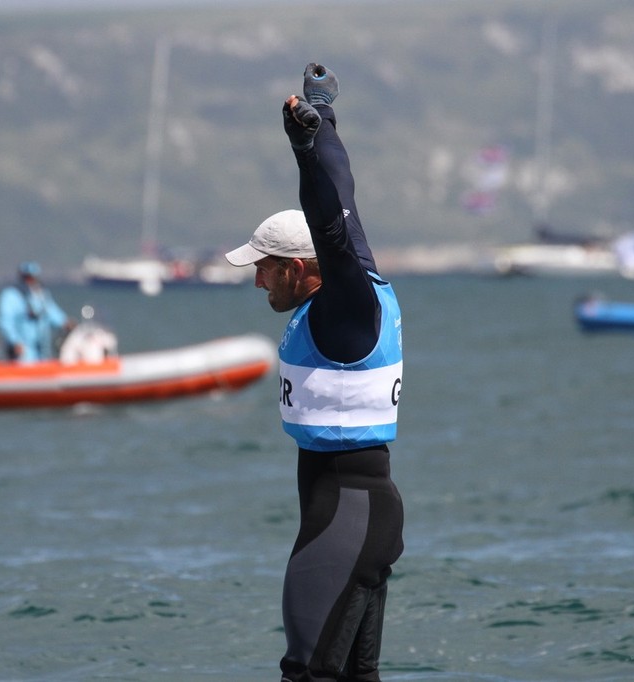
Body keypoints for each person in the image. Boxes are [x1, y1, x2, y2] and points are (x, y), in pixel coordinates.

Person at [225, 64, 404, 682]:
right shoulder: (355, 289)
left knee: (305, 674)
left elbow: (328, 217)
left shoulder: (346, 312)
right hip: (354, 512)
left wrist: (303, 152)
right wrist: (323, 117)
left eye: (267, 268)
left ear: (302, 269)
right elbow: (345, 195)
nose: (257, 280)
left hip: (347, 516)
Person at [0, 261, 72, 362]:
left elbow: (51, 311)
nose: (30, 281)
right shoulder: (11, 295)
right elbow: (5, 321)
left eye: (33, 277)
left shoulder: (41, 294)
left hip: (42, 347)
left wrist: (65, 322)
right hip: (23, 348)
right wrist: (15, 342)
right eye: (27, 277)